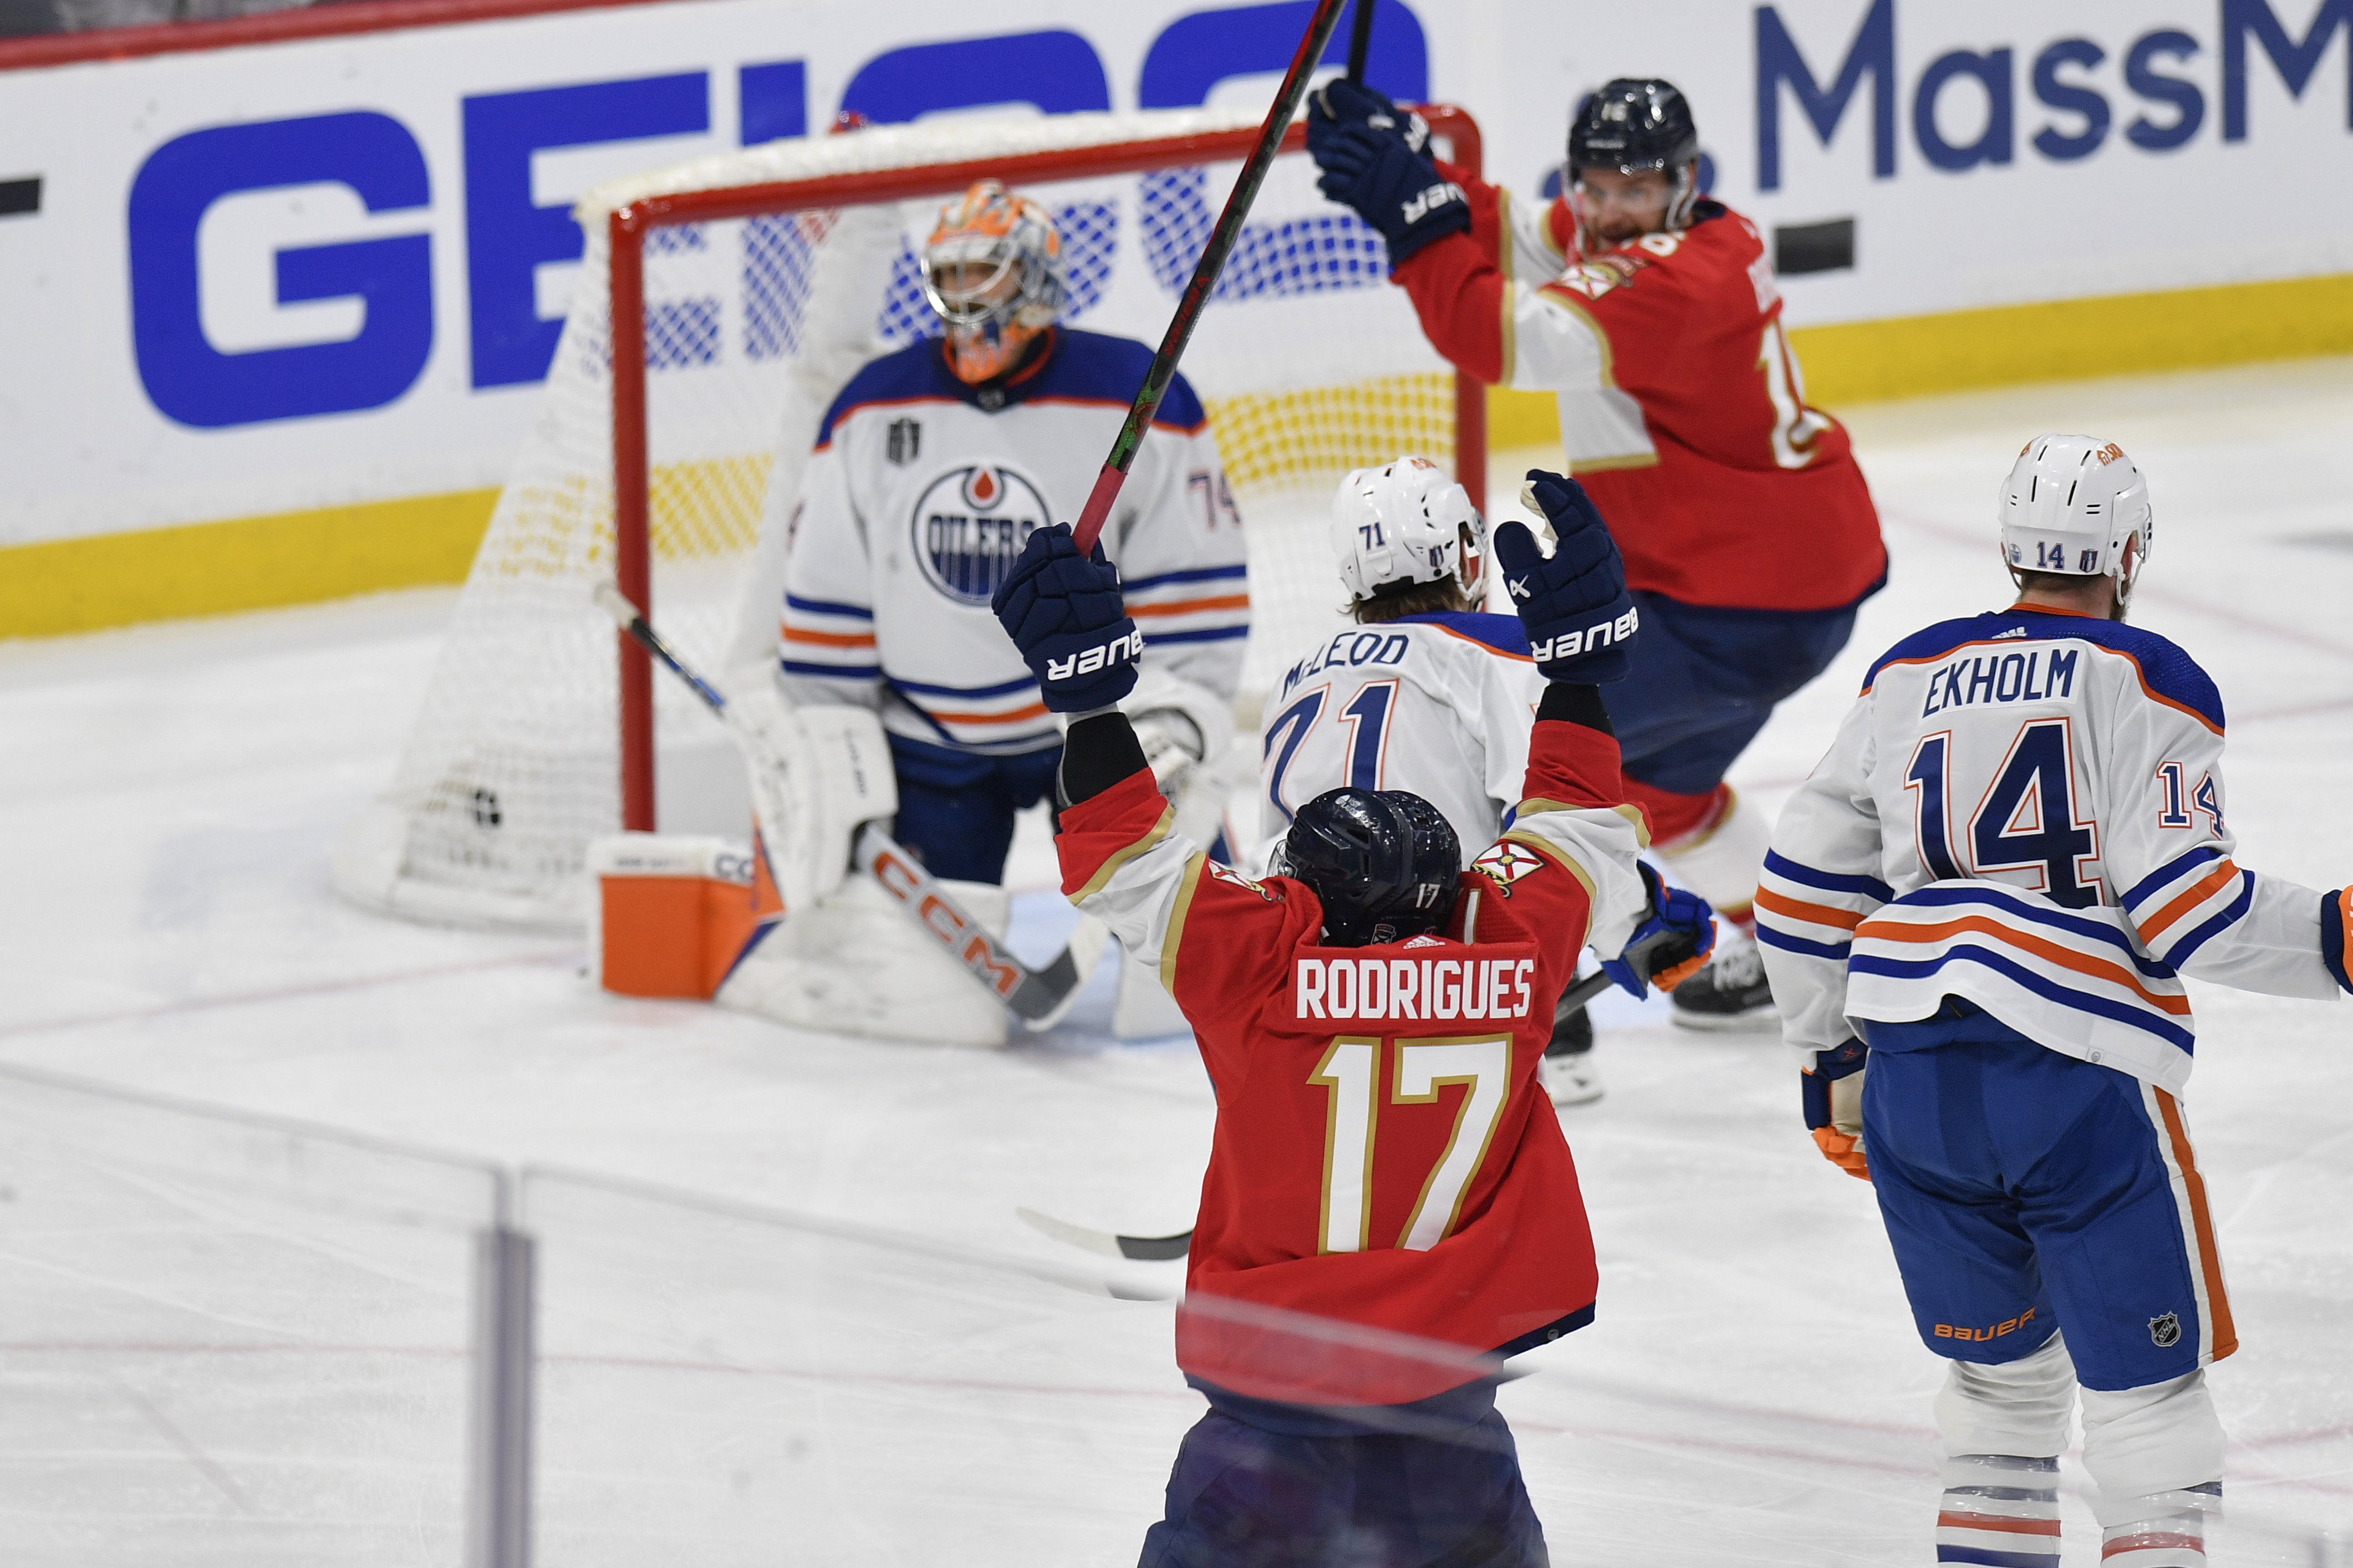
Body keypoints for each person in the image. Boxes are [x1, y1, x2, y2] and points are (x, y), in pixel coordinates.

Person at [993, 468, 1714, 1565]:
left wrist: (1089, 706)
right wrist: (1577, 677)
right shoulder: (1509, 955)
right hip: (1447, 1390)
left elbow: (1132, 868)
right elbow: (1576, 834)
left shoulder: (1259, 954)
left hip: (1272, 1375)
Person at [1755, 435, 2351, 1566]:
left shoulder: (1905, 673)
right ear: (2127, 552)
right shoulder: (2144, 674)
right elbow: (2189, 910)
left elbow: (1800, 884)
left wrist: (1829, 1065)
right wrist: (2332, 936)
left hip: (1912, 1082)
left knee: (1997, 1399)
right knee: (2149, 1412)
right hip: (2072, 1077)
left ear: (2007, 547)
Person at [1307, 75, 1887, 1034]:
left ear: (1684, 181)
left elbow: (1497, 338)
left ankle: (1541, 1025)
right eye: (1595, 186)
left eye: (1636, 189)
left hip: (1731, 599)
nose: (1611, 210)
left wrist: (1409, 220)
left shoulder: (1676, 278)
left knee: (1528, 757)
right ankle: (1808, 960)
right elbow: (1496, 227)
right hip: (1773, 581)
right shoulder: (1630, 233)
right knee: (1662, 790)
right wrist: (1404, 159)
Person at [777, 179, 1247, 886]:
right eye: (949, 273)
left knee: (1194, 959)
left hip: (1101, 722)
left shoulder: (1135, 391)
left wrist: (1173, 719)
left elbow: (1191, 581)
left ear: (1035, 276)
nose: (964, 294)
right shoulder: (869, 406)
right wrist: (831, 740)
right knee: (917, 988)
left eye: (982, 271)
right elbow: (828, 590)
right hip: (927, 741)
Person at [1254, 454, 1607, 1104]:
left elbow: (1272, 854)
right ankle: (1567, 1038)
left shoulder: (1295, 678)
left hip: (1308, 993)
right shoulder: (1501, 653)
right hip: (1451, 984)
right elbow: (1564, 824)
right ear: (1465, 552)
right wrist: (1646, 921)